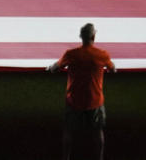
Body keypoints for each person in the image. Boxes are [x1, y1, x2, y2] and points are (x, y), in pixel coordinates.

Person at [49, 23, 115, 160]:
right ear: (94, 36)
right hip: (95, 100)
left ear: (81, 37)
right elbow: (112, 68)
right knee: (98, 132)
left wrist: (50, 67)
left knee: (68, 131)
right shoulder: (102, 55)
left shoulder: (71, 54)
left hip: (74, 100)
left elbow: (55, 67)